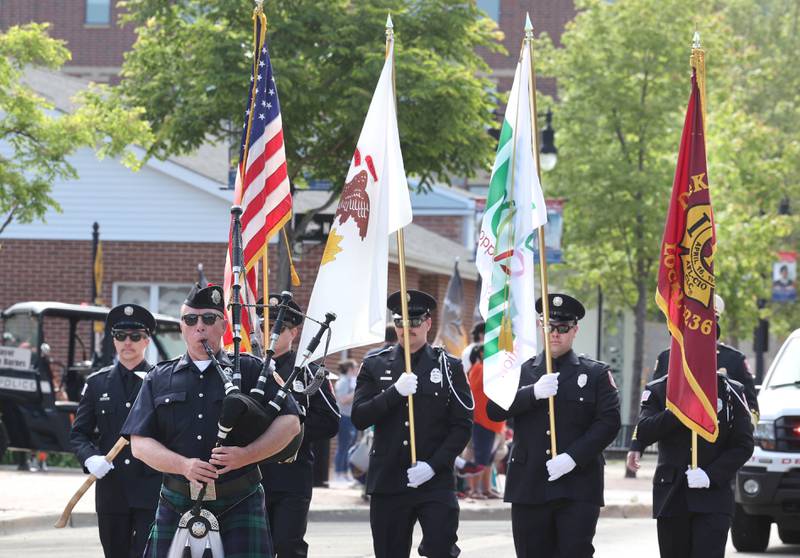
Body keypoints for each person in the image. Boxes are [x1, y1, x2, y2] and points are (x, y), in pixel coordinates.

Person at [121, 284, 301, 557]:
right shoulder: (158, 377)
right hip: (178, 500)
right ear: (182, 327)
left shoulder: (252, 370)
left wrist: (246, 455)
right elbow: (139, 443)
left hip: (240, 498)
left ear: (223, 325)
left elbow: (290, 423)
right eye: (190, 320)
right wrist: (183, 465)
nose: (199, 327)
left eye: (208, 319)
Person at [487, 293, 621, 558]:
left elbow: (609, 422)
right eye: (549, 327)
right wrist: (531, 393)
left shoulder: (594, 373)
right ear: (540, 326)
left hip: (578, 485)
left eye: (563, 328)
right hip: (530, 484)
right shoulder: (522, 372)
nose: (555, 334)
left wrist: (573, 458)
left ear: (574, 330)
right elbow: (493, 410)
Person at [352, 289, 473, 558]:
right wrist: (393, 392)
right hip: (389, 478)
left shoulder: (448, 367)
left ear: (428, 323)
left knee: (441, 548)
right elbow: (360, 417)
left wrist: (434, 465)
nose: (407, 329)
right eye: (400, 322)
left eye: (415, 321)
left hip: (435, 479)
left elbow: (462, 425)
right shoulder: (375, 365)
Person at [627, 294, 758, 473]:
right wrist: (638, 443)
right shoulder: (667, 357)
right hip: (675, 447)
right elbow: (652, 403)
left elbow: (749, 407)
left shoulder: (734, 359)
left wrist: (739, 432)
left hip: (718, 448)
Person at [70, 304, 162, 558]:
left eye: (135, 337)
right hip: (113, 489)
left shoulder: (162, 380)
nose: (127, 343)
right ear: (113, 340)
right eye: (120, 336)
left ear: (146, 340)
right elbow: (79, 433)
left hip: (151, 487)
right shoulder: (97, 383)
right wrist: (90, 458)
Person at [634, 370, 754, 557]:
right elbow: (644, 431)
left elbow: (743, 445)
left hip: (713, 497)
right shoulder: (660, 388)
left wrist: (711, 475)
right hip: (672, 495)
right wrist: (679, 410)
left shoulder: (731, 390)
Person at [258, 294, 340, 558]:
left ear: (294, 331)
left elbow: (330, 421)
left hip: (290, 476)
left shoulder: (307, 371)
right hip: (251, 475)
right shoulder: (246, 367)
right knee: (253, 548)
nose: (269, 333)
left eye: (278, 328)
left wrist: (290, 428)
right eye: (263, 326)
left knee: (287, 546)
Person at [465, 344, 504, 499]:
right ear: (481, 353)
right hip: (482, 421)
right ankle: (474, 490)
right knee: (479, 458)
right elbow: (474, 390)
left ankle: (486, 489)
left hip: (493, 422)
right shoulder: (479, 368)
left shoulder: (486, 369)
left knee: (488, 459)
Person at [334, 358, 359, 483]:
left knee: (350, 446)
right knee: (343, 446)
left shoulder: (351, 381)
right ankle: (339, 473)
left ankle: (345, 473)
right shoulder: (343, 381)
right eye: (355, 368)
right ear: (350, 369)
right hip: (344, 416)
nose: (357, 370)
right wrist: (356, 392)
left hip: (351, 417)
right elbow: (342, 399)